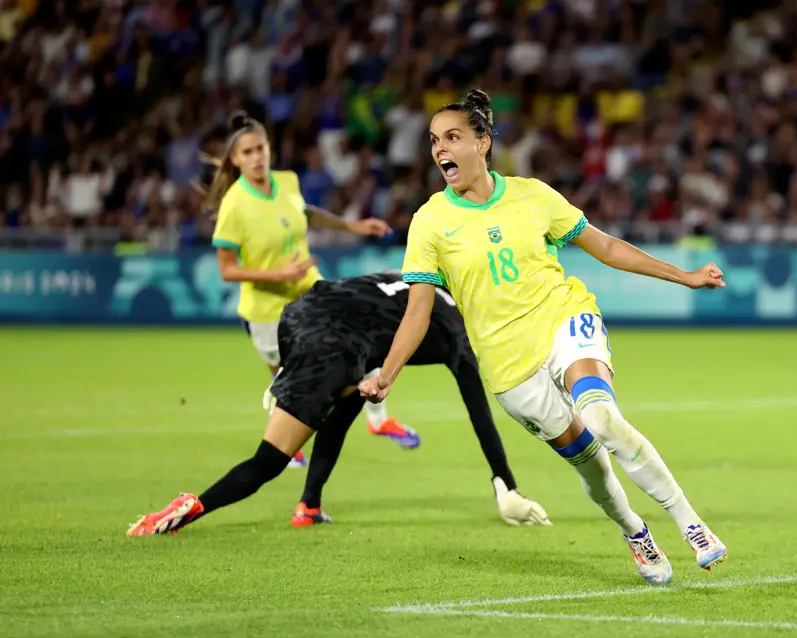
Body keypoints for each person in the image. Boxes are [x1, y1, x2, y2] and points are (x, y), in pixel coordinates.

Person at [359, 89, 728, 584]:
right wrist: (389, 372)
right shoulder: (430, 222)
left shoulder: (533, 195)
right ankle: (635, 531)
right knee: (591, 467)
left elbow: (607, 247)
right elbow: (418, 312)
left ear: (483, 143)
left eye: (452, 137)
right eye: (433, 141)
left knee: (601, 414)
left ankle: (691, 522)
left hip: (562, 318)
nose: (440, 149)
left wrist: (683, 275)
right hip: (508, 366)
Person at [126, 272, 551, 535]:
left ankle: (309, 505)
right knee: (270, 460)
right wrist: (506, 484)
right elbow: (480, 413)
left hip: (303, 314)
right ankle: (189, 509)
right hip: (334, 344)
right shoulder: (462, 328)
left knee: (349, 397)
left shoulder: (424, 281)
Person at [203, 111, 420, 469]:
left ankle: (380, 420)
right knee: (289, 382)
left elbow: (306, 213)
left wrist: (353, 226)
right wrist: (279, 273)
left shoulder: (286, 181)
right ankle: (284, 445)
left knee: (359, 340)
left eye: (261, 148)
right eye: (248, 152)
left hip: (309, 288)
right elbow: (227, 269)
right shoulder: (234, 206)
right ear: (235, 159)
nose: (257, 157)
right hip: (267, 310)